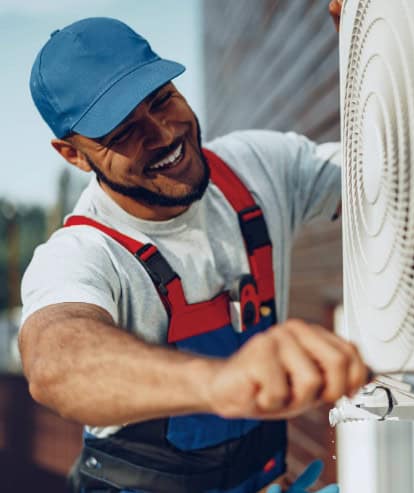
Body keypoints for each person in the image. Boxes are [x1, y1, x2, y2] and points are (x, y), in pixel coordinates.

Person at [19, 6, 363, 493]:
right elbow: (57, 363)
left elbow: (388, 175)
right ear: (73, 154)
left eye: (161, 100)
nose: (162, 134)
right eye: (123, 133)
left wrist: (366, 49)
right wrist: (222, 383)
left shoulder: (258, 168)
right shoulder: (82, 253)